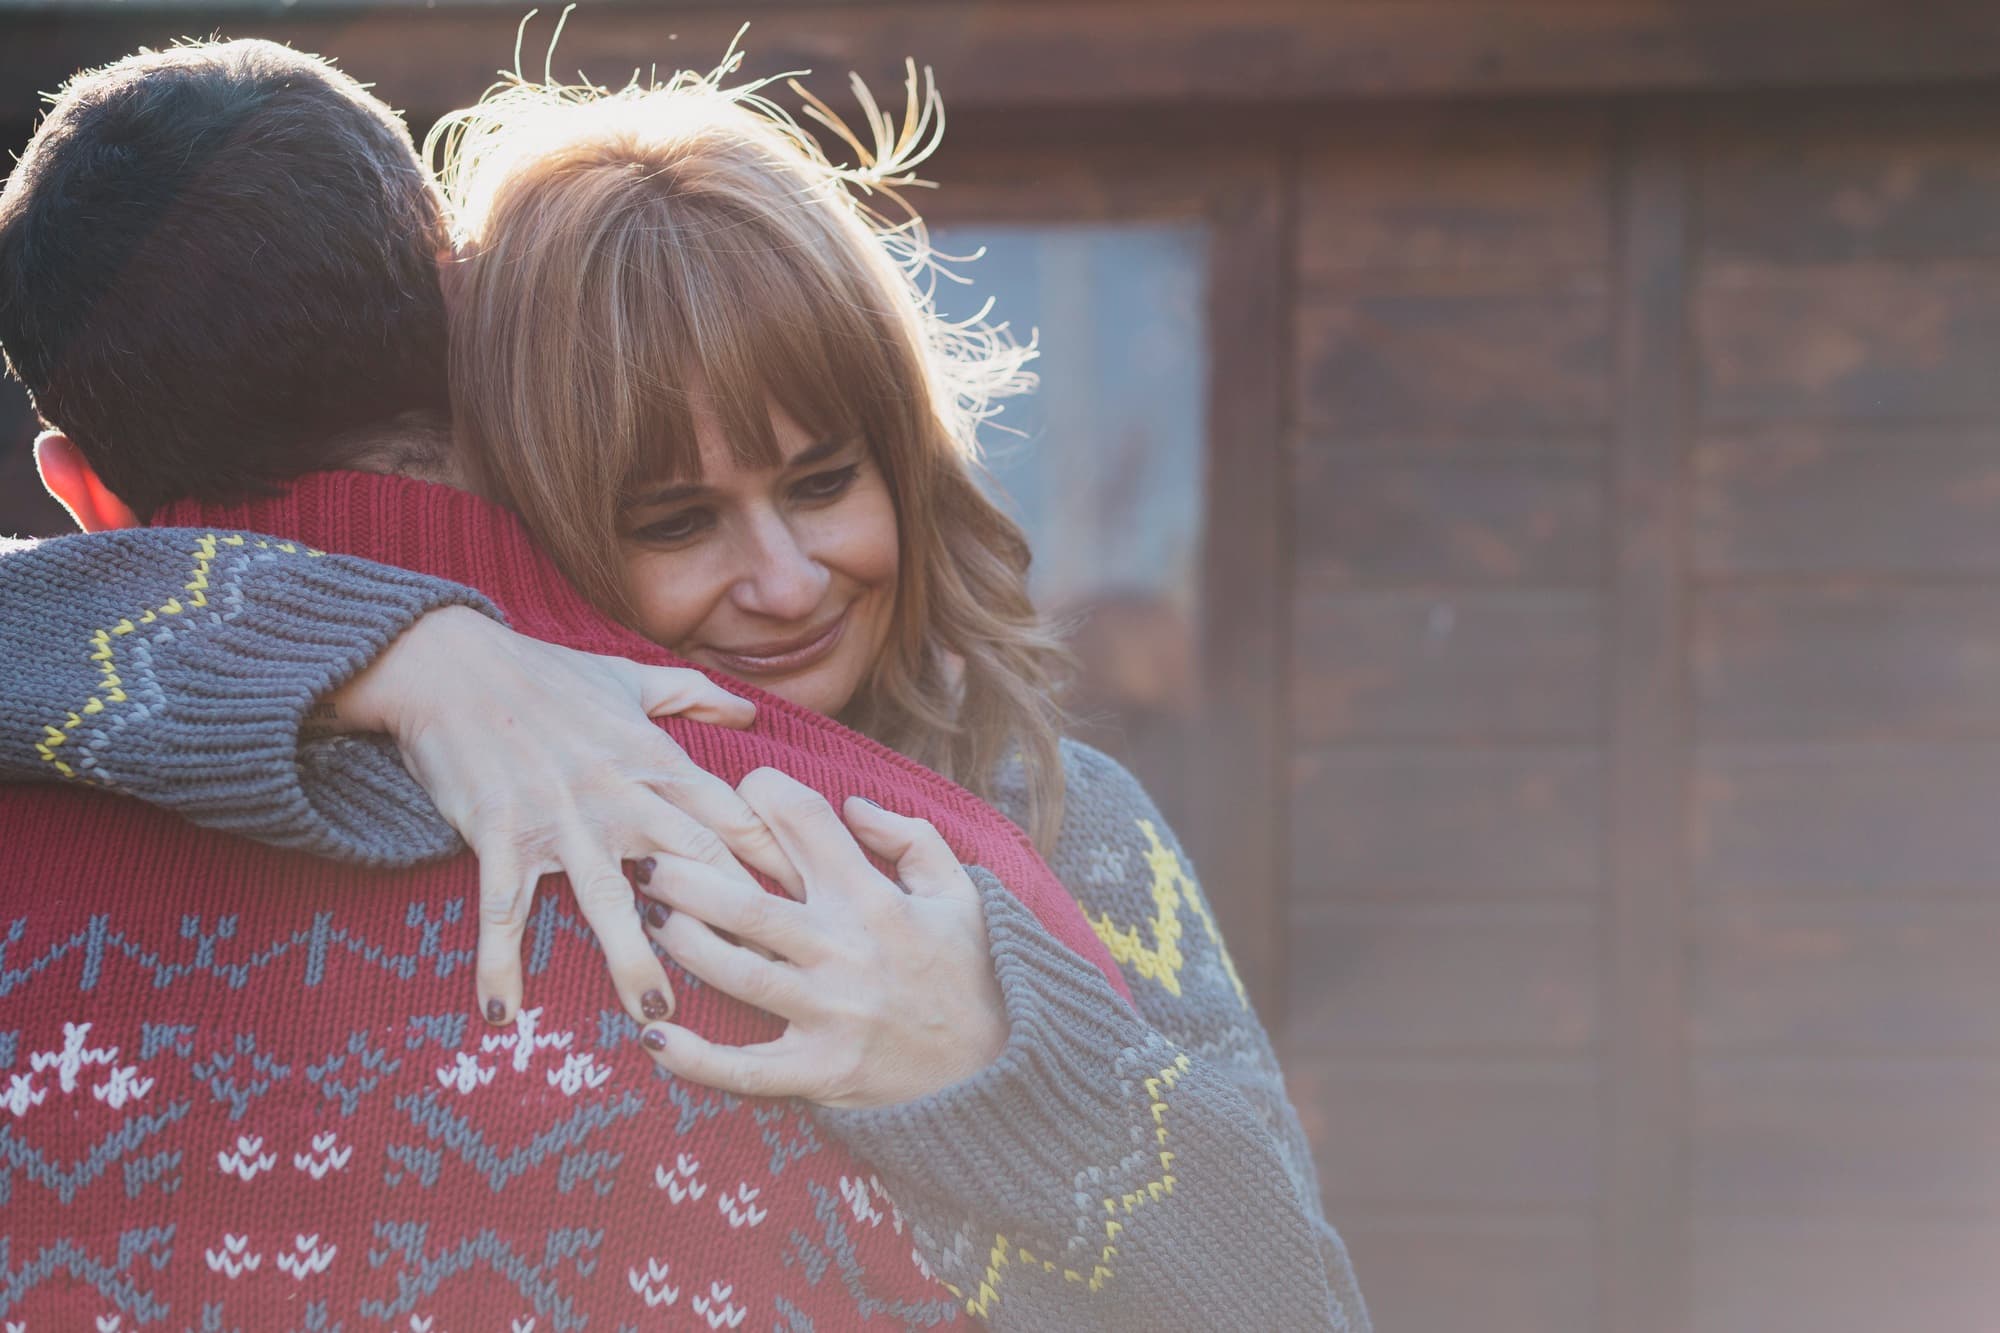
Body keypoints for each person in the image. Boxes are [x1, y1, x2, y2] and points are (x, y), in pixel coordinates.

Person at [0, 40, 1369, 1333]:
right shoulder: (445, 719)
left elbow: (1300, 1304)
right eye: (673, 520)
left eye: (824, 481)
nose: (782, 580)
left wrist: (995, 1059)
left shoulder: (1066, 827)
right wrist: (387, 643)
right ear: (509, 454)